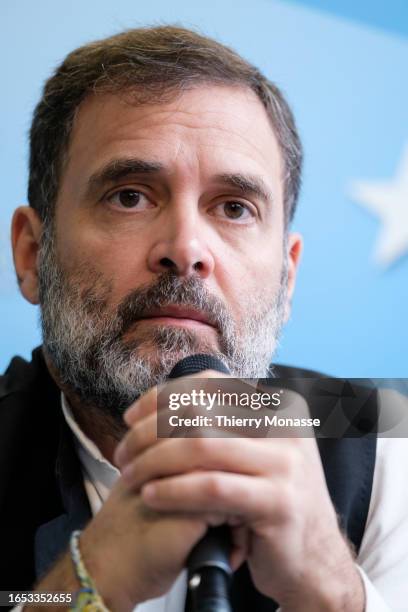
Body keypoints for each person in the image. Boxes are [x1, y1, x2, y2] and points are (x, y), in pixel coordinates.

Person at [1, 25, 407, 612]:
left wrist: (336, 590)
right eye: (130, 196)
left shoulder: (383, 442)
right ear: (33, 255)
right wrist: (88, 584)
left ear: (287, 280)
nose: (186, 247)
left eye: (234, 208)